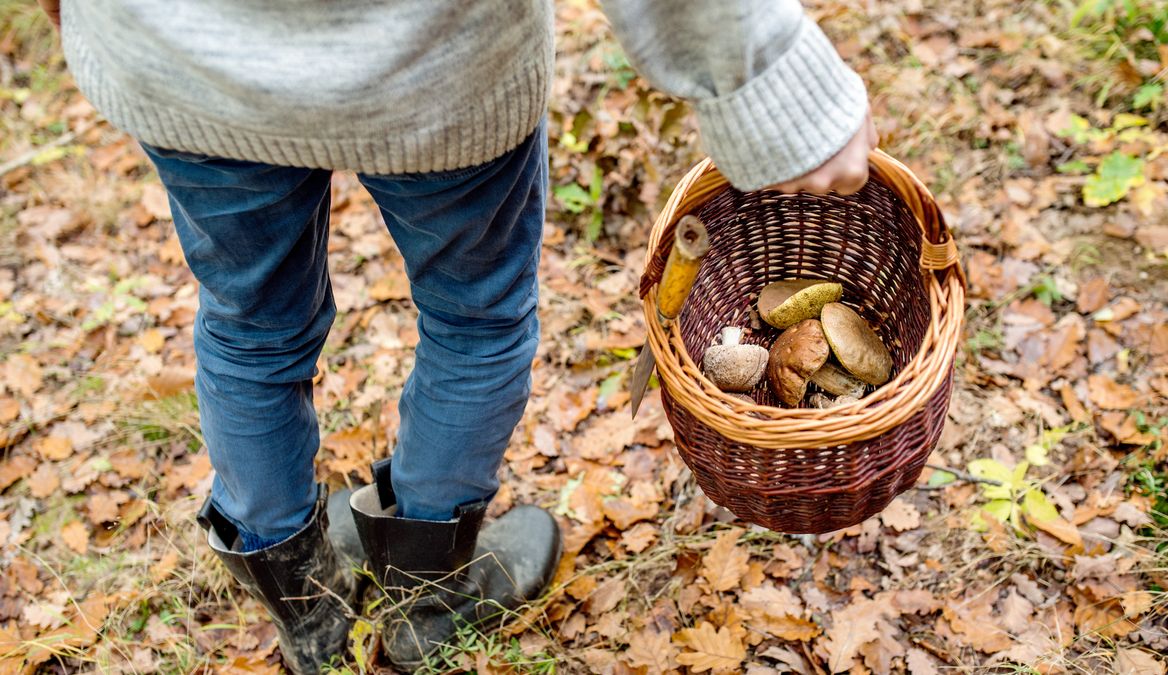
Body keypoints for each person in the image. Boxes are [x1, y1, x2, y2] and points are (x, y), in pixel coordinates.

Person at [40, 0, 877, 672]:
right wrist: (767, 79)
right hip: (429, 74)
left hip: (190, 63)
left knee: (249, 327)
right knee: (474, 318)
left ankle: (308, 615)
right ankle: (424, 596)